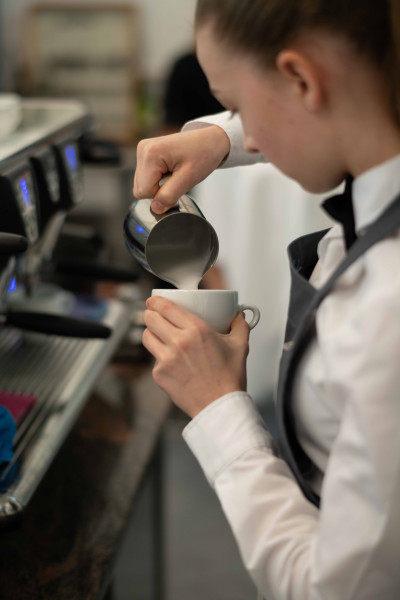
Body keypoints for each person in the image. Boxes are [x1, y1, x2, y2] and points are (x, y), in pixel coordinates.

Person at [134, 1, 400, 598]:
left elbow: (336, 589)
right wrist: (218, 138)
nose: (245, 135)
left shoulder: (388, 309)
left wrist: (218, 407)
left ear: (302, 78)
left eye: (235, 106)